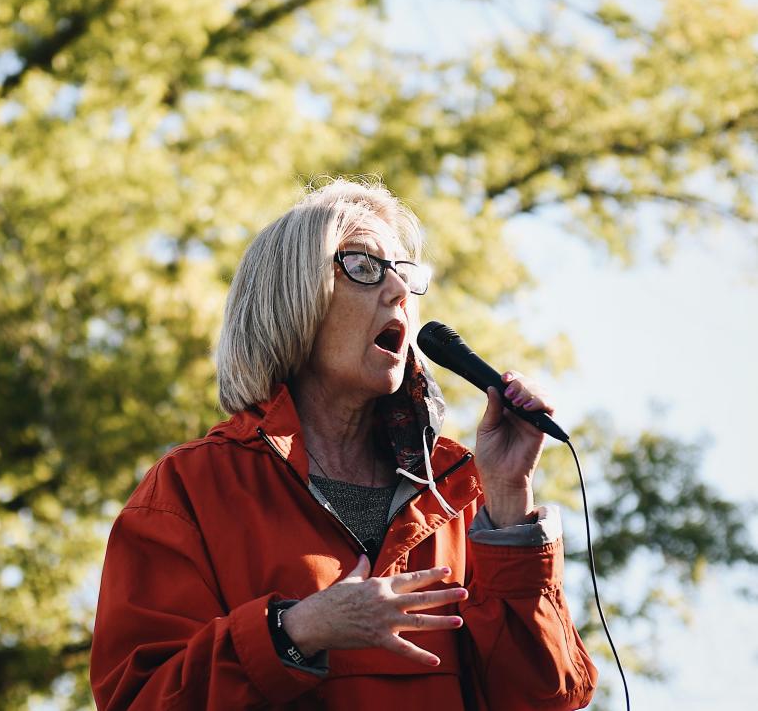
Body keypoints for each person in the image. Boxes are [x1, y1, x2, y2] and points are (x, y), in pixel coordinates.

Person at [89, 178, 598, 710]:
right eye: (363, 267)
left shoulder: (461, 495)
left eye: (404, 274)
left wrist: (510, 499)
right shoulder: (192, 490)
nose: (399, 291)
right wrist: (297, 629)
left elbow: (544, 699)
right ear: (290, 302)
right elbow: (140, 700)